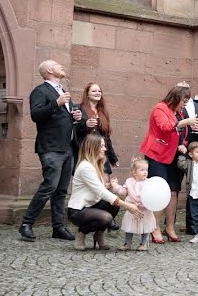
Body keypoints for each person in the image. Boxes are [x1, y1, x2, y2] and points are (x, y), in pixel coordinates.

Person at [19, 60, 82, 242]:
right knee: (49, 186)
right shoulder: (40, 91)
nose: (61, 66)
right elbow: (36, 115)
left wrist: (76, 117)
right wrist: (57, 103)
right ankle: (26, 224)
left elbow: (62, 118)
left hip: (68, 147)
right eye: (57, 64)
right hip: (51, 147)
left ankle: (58, 227)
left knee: (61, 190)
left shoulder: (62, 90)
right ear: (48, 70)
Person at [139, 84, 197, 244]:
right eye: (183, 101)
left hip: (174, 155)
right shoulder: (160, 108)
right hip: (157, 155)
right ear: (176, 98)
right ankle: (155, 227)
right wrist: (185, 122)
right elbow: (165, 128)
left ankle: (169, 227)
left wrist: (184, 143)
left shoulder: (179, 112)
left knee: (173, 191)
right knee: (159, 191)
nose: (184, 105)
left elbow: (182, 134)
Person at [67, 135, 141, 251]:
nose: (105, 149)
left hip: (91, 205)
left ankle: (98, 234)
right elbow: (101, 192)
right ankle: (81, 234)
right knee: (106, 218)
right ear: (92, 147)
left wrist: (109, 185)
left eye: (104, 146)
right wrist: (128, 206)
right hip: (78, 210)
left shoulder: (96, 164)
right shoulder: (86, 167)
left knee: (114, 206)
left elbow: (96, 188)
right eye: (101, 146)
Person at [75, 83, 119, 230]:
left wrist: (112, 156)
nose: (97, 93)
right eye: (94, 90)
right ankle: (93, 219)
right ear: (87, 93)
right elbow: (74, 130)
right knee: (93, 188)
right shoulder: (80, 108)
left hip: (102, 154)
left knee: (104, 187)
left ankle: (101, 226)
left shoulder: (102, 111)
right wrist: (86, 124)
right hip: (88, 153)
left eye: (99, 90)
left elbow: (107, 137)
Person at [109, 157, 156, 251]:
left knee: (145, 227)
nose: (145, 172)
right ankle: (128, 243)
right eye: (142, 170)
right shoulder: (129, 181)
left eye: (146, 170)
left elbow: (152, 195)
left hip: (144, 209)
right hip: (131, 209)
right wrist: (115, 186)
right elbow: (123, 191)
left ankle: (144, 243)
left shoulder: (149, 182)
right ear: (134, 172)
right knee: (129, 227)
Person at [183, 81, 198, 235]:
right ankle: (168, 222)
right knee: (176, 187)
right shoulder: (175, 106)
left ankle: (192, 225)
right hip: (179, 149)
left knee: (195, 185)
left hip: (195, 149)